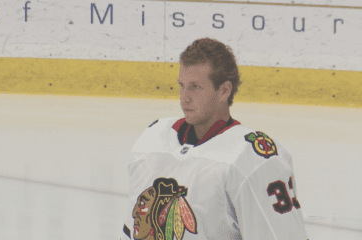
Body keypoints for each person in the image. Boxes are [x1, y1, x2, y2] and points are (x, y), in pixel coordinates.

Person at [120, 37, 309, 240]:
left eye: (195, 87)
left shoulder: (250, 159)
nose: (185, 97)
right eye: (182, 85)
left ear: (224, 90)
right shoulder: (152, 140)